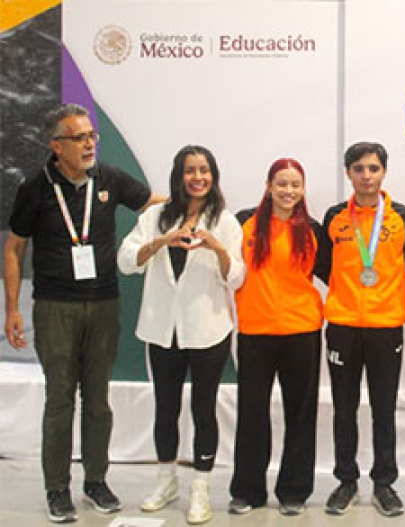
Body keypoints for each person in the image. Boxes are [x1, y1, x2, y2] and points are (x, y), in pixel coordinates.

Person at [3, 103, 157, 523]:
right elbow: (14, 249)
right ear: (57, 146)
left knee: (98, 401)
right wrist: (12, 309)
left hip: (104, 304)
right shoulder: (36, 186)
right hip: (55, 307)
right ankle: (56, 488)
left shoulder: (109, 178)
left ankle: (96, 481)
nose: (90, 144)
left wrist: (200, 204)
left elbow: (153, 204)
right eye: (80, 138)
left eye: (92, 136)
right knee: (59, 400)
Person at [117, 145, 245, 525]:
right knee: (165, 407)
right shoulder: (155, 216)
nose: (198, 177)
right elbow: (126, 261)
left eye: (204, 170)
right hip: (162, 329)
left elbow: (236, 278)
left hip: (208, 330)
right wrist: (161, 242)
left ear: (213, 175)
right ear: (179, 175)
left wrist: (218, 248)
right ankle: (166, 481)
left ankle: (201, 488)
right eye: (190, 170)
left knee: (204, 410)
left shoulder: (225, 221)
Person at [319, 142, 405, 518]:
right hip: (342, 326)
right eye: (358, 169)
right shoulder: (335, 216)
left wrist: (384, 281)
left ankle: (384, 484)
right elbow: (322, 264)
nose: (366, 176)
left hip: (385, 326)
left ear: (384, 171)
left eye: (373, 168)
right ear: (348, 173)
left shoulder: (401, 216)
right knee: (344, 408)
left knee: (384, 408)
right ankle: (346, 481)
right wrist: (348, 289)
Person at [227, 158, 327, 517]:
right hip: (256, 331)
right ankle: (247, 490)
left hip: (302, 331)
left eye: (295, 185)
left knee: (301, 414)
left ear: (303, 189)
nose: (288, 191)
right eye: (282, 184)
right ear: (269, 186)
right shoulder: (244, 223)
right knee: (252, 413)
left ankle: (294, 491)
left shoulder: (313, 230)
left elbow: (336, 273)